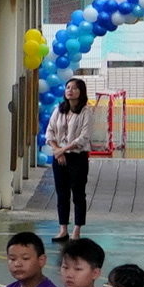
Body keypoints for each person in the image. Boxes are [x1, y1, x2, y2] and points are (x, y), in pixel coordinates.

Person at [44, 77, 103, 230]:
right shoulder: (59, 109)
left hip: (77, 157)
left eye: (74, 88)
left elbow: (83, 138)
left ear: (81, 92)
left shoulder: (86, 112)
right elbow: (49, 132)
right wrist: (58, 151)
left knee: (78, 194)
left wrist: (61, 150)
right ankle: (63, 228)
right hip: (59, 157)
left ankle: (77, 229)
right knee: (61, 194)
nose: (70, 90)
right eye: (68, 87)